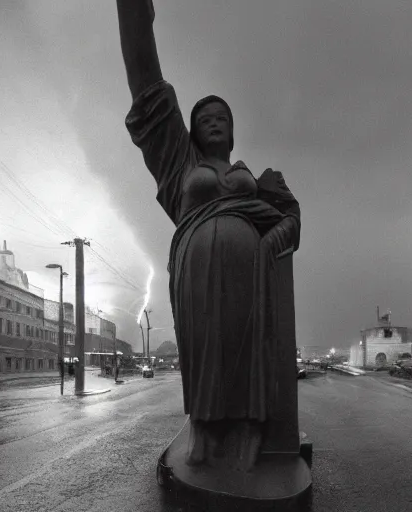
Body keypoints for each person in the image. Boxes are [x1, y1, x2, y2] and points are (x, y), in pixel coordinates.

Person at [116, 0, 300, 471]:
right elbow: (147, 84)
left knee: (243, 348)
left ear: (234, 132)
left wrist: (269, 242)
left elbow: (290, 217)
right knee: (206, 349)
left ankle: (246, 432)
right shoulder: (181, 164)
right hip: (196, 272)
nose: (214, 120)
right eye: (204, 117)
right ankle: (204, 427)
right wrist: (135, 12)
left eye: (223, 116)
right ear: (192, 131)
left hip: (249, 274)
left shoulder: (254, 181)